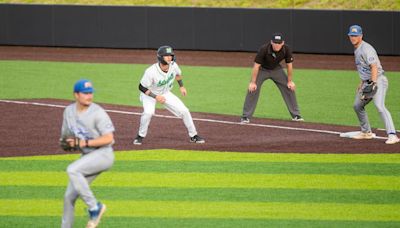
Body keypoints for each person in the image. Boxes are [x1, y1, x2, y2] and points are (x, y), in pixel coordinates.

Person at [61, 79, 115, 228]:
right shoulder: (69, 112)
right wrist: (67, 144)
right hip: (88, 157)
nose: (89, 96)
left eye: (90, 93)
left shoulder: (98, 112)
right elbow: (66, 139)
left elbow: (109, 138)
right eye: (85, 93)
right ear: (76, 95)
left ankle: (94, 208)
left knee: (72, 169)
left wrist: (84, 143)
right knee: (68, 197)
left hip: (104, 154)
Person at [133, 45, 205, 145]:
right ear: (160, 57)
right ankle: (140, 136)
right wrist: (156, 97)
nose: (169, 57)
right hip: (149, 94)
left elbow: (178, 75)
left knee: (184, 111)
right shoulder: (150, 71)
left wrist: (181, 87)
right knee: (148, 113)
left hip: (165, 93)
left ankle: (194, 136)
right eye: (166, 56)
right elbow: (141, 87)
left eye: (170, 55)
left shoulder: (173, 65)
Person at [347, 25, 399, 144]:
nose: (353, 38)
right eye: (351, 35)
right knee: (357, 105)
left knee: (380, 106)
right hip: (367, 82)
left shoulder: (366, 48)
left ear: (361, 36)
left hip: (378, 80)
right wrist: (362, 82)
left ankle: (392, 135)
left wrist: (373, 83)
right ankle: (366, 132)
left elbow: (374, 66)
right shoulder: (357, 48)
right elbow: (364, 68)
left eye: (355, 35)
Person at [240, 32, 303, 123]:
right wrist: (253, 82)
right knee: (252, 89)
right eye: (275, 43)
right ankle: (246, 116)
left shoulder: (286, 49)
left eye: (279, 43)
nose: (277, 45)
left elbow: (289, 65)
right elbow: (256, 66)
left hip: (276, 70)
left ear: (283, 43)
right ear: (271, 42)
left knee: (289, 87)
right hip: (262, 70)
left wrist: (290, 81)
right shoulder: (264, 49)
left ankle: (296, 115)